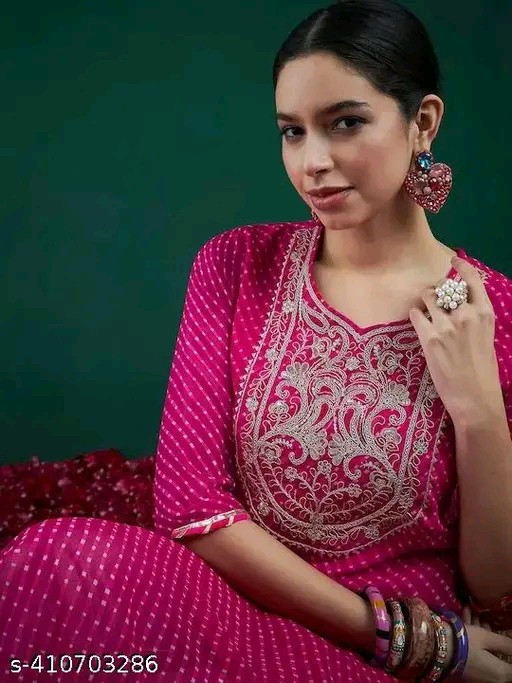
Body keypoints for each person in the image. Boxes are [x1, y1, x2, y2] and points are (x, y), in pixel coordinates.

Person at [1, 0, 512, 680]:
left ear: (423, 123)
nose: (313, 162)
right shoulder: (238, 264)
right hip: (235, 613)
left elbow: (494, 587)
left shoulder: (492, 312)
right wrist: (404, 639)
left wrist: (479, 411)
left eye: (346, 122)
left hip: (391, 655)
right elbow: (191, 505)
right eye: (292, 132)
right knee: (59, 558)